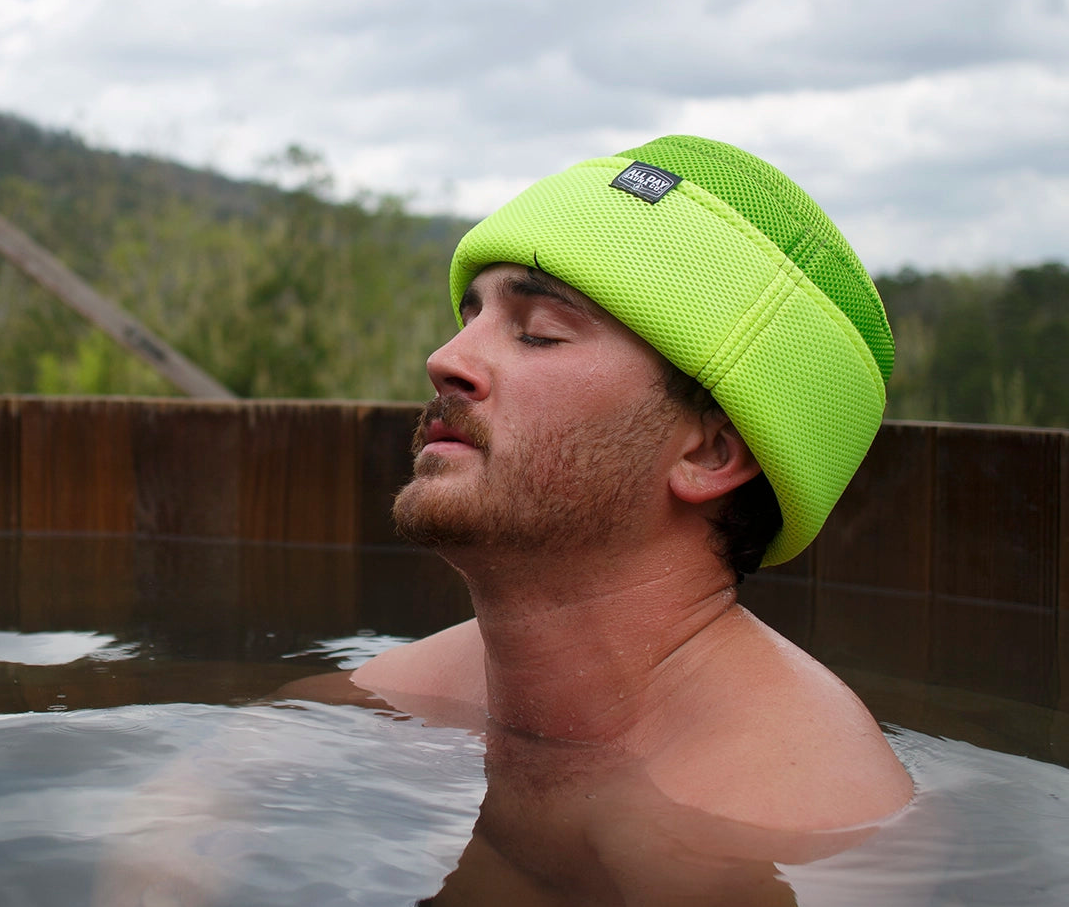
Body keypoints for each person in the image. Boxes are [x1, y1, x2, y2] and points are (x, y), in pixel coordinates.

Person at [352, 134, 914, 836]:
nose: (444, 359)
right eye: (471, 318)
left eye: (539, 332)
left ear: (710, 452)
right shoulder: (401, 693)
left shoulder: (776, 819)